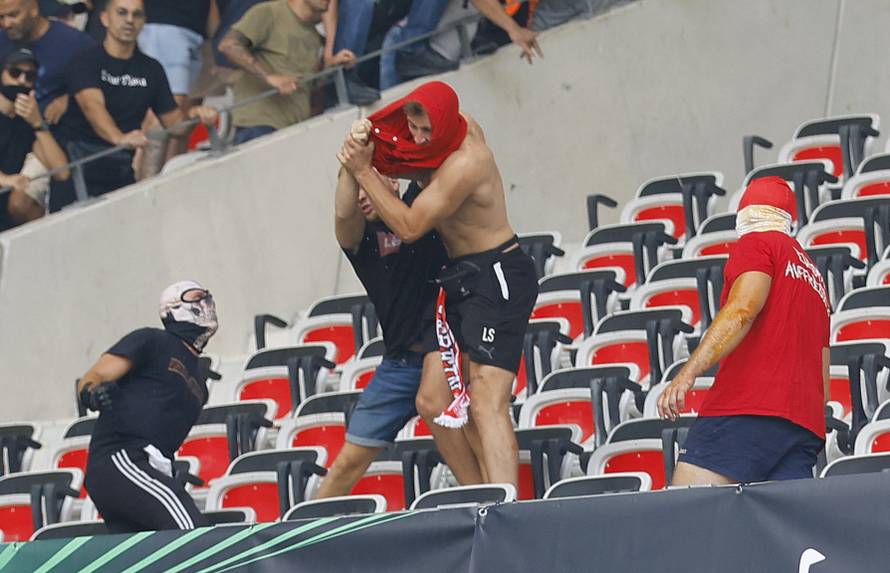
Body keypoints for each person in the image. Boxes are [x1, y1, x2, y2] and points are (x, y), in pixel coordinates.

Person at [337, 81, 539, 489]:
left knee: (485, 400)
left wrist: (363, 170)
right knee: (434, 401)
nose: (420, 139)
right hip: (459, 279)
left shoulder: (468, 160)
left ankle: (506, 509)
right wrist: (366, 140)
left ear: (447, 123)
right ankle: (476, 493)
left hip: (496, 271)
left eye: (427, 131)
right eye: (414, 130)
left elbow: (410, 227)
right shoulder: (432, 142)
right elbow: (399, 153)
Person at [315, 164, 483, 498]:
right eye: (356, 188)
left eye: (369, 184)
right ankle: (293, 543)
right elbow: (343, 212)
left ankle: (482, 502)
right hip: (399, 364)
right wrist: (353, 161)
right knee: (346, 465)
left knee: (464, 422)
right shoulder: (360, 237)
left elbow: (438, 168)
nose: (362, 197)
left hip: (451, 346)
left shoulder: (421, 208)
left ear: (393, 181)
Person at [657, 176, 831, 485]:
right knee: (775, 530)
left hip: (748, 406)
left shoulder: (757, 243)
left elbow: (742, 309)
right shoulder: (815, 277)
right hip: (803, 424)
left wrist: (688, 373)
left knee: (687, 514)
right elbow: (823, 370)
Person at [50, 0, 219, 211]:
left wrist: (195, 114)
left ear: (144, 22)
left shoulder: (151, 69)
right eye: (122, 13)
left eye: (137, 15)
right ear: (104, 18)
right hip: (76, 172)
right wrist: (118, 138)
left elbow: (175, 125)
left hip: (120, 171)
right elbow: (92, 107)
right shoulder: (85, 60)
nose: (129, 20)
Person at [78, 280, 217, 533]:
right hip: (122, 457)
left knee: (149, 557)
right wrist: (94, 393)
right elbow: (94, 375)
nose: (206, 301)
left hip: (151, 466)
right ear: (173, 308)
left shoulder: (200, 383)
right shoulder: (152, 340)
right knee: (193, 536)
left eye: (207, 296)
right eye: (196, 296)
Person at [217, 0, 329, 145]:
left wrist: (331, 67)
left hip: (296, 130)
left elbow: (311, 90)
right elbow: (229, 45)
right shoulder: (269, 12)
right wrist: (270, 76)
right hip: (258, 127)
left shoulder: (314, 35)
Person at [0, 47, 69, 226]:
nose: (22, 81)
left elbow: (62, 172)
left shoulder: (32, 121)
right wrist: (6, 180)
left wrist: (38, 124)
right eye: (15, 73)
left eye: (29, 76)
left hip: (13, 222)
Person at [0, 0, 95, 122]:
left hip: (52, 129)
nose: (6, 23)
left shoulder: (75, 43)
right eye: (1, 17)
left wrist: (69, 99)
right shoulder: (2, 39)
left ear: (33, 9)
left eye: (13, 15)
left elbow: (105, 78)